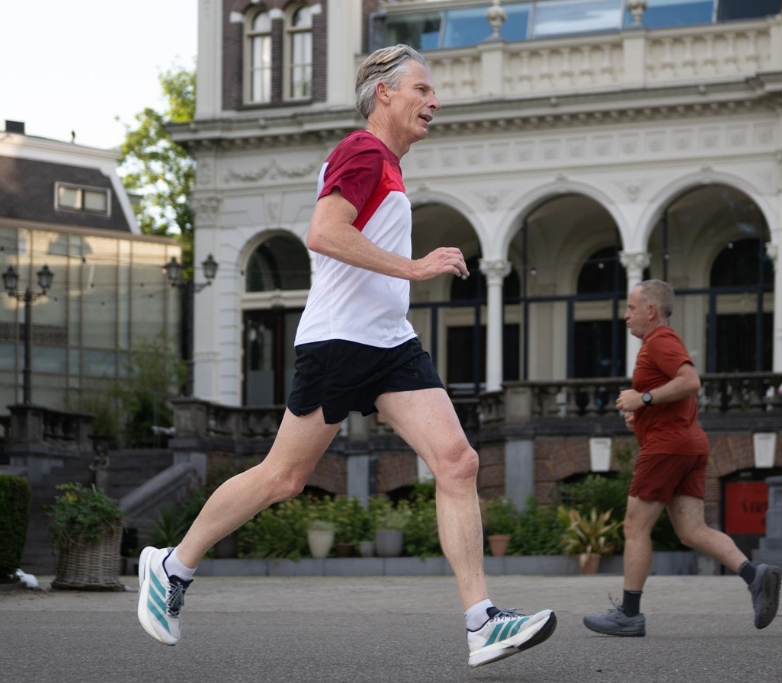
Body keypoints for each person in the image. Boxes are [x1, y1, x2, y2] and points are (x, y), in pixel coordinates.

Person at [137, 44, 556, 668]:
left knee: (458, 461)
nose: (433, 101)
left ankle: (482, 622)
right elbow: (324, 233)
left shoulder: (385, 162)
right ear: (383, 93)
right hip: (339, 340)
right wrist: (415, 267)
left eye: (432, 92)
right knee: (284, 478)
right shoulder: (361, 151)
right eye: (421, 89)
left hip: (389, 341)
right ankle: (170, 566)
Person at [583, 279, 781, 637]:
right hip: (688, 444)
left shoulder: (660, 340)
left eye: (630, 308)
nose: (625, 316)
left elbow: (690, 381)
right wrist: (643, 415)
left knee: (635, 526)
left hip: (667, 448)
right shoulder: (658, 343)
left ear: (650, 310)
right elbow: (673, 394)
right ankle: (756, 576)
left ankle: (629, 613)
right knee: (692, 530)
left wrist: (642, 400)